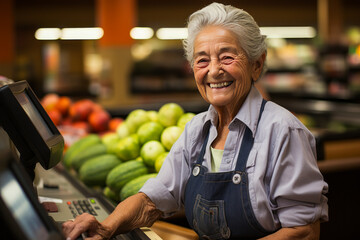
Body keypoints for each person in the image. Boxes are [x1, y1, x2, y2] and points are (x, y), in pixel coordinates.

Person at [63, 2, 328, 240]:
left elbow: (303, 231)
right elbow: (151, 200)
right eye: (202, 60)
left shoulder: (284, 131)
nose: (214, 70)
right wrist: (106, 228)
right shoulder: (196, 130)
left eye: (227, 56)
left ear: (256, 64)